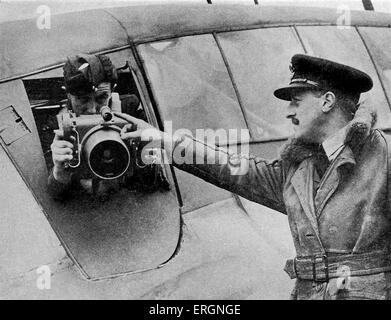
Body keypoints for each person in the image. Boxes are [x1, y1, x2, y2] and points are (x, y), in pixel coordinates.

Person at [116, 54, 391, 300]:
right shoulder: (297, 171)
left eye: (296, 101)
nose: (288, 112)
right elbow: (231, 167)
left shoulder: (382, 156)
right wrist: (159, 139)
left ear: (327, 101)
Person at [48, 54, 167, 200]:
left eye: (101, 98)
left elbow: (154, 182)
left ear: (113, 90)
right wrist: (59, 172)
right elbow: (55, 198)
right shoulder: (58, 127)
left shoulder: (130, 110)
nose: (92, 109)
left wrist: (146, 155)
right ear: (68, 95)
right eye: (82, 99)